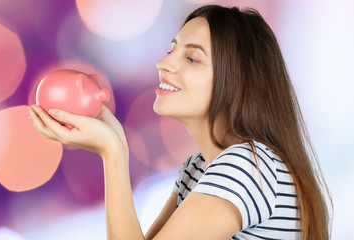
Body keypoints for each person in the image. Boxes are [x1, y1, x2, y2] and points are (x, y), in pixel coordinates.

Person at [28, 4, 331, 240]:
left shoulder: (247, 165)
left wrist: (112, 152)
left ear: (237, 83)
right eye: (172, 49)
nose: (163, 64)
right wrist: (114, 137)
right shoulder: (199, 166)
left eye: (192, 58)